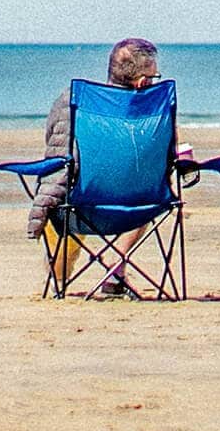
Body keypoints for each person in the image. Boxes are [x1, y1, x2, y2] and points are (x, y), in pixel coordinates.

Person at [26, 38, 190, 297]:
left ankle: (59, 280)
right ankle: (116, 268)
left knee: (61, 190)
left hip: (81, 207)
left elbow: (55, 147)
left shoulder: (75, 101)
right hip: (139, 209)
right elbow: (169, 158)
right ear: (142, 82)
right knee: (143, 188)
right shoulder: (155, 113)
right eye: (154, 76)